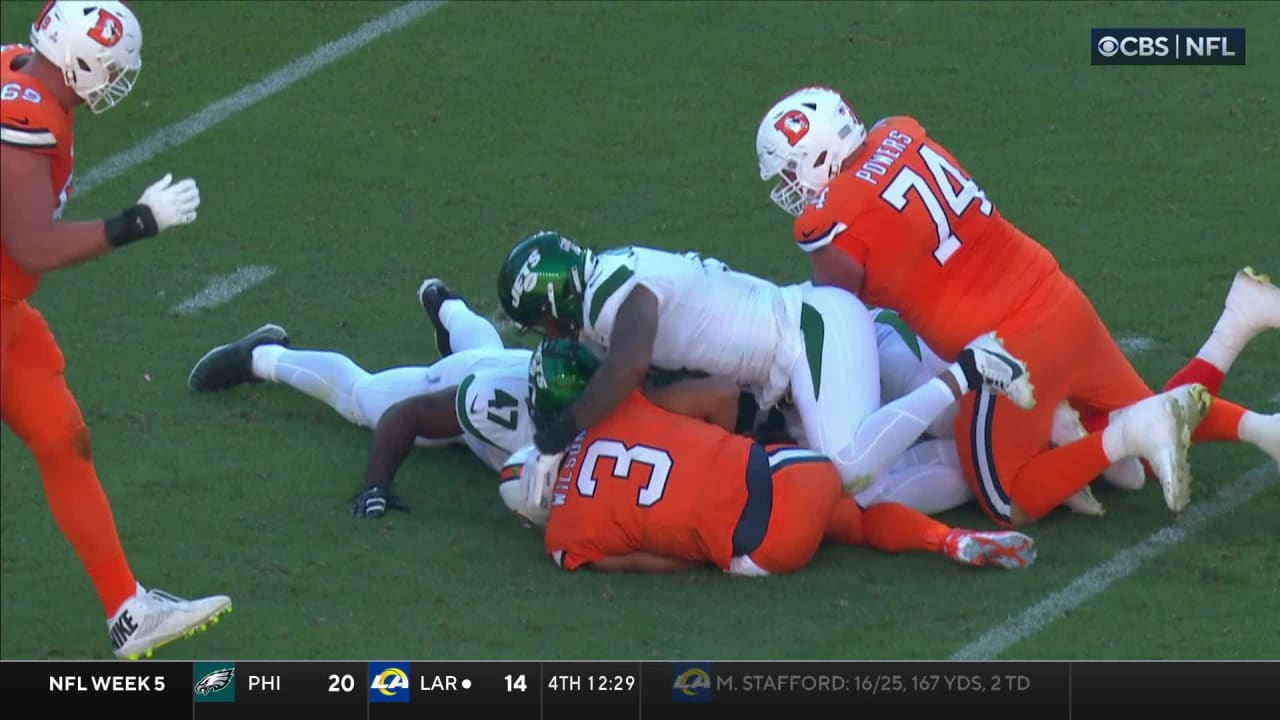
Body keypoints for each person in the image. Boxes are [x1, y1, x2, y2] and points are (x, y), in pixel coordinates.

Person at [754, 85, 1276, 526]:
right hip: (1055, 295)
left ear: (817, 155)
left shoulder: (831, 221)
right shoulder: (900, 131)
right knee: (1152, 408)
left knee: (1009, 497)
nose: (790, 187)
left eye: (790, 171)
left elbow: (837, 311)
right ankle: (1262, 428)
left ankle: (1119, 438)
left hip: (1006, 350)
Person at [1, 2, 231, 660]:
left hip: (8, 314)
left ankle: (128, 610)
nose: (115, 80)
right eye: (110, 67)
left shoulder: (15, 67)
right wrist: (137, 222)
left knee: (63, 438)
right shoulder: (26, 113)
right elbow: (32, 244)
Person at [495, 230, 1033, 499]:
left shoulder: (611, 292)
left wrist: (555, 439)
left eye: (540, 320)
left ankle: (971, 371)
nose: (547, 333)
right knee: (868, 476)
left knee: (852, 476)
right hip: (792, 357)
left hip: (810, 335)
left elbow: (628, 368)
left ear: (553, 298)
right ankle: (995, 454)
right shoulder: (609, 275)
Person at [498, 338, 1037, 576]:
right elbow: (715, 397)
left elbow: (656, 563)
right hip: (791, 478)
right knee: (850, 495)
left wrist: (705, 551)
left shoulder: (564, 543)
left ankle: (951, 518)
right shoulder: (612, 414)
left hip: (759, 553)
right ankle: (948, 536)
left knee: (840, 506)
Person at [187, 279, 534, 518]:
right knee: (360, 397)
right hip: (467, 386)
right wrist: (376, 488)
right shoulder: (497, 404)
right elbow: (407, 415)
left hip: (501, 370)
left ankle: (447, 305)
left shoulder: (577, 398)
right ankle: (260, 357)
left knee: (485, 351)